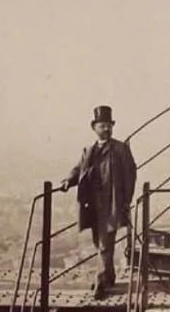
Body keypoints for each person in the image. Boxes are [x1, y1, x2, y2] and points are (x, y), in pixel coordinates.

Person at [59, 106, 137, 299]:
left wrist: (126, 201)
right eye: (102, 126)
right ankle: (109, 276)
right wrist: (68, 180)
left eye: (109, 125)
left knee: (104, 243)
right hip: (92, 204)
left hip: (111, 204)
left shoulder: (120, 149)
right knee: (99, 242)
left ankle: (101, 283)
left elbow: (130, 176)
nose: (106, 129)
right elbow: (79, 169)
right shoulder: (89, 150)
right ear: (94, 127)